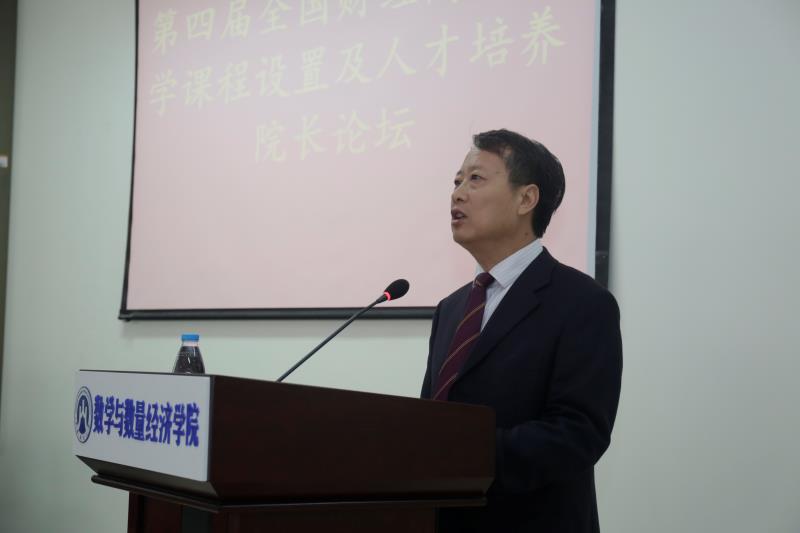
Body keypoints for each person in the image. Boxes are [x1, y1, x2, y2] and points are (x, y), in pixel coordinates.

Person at [421, 129, 623, 533]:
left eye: (475, 179)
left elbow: (577, 434)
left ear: (526, 199)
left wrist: (461, 454)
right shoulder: (452, 308)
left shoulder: (583, 302)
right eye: (456, 181)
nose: (457, 194)